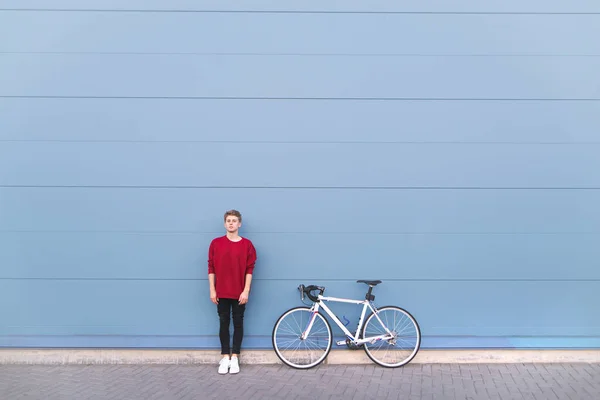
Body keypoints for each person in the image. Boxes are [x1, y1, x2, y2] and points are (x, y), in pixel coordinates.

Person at [208, 209, 257, 374]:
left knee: (238, 323)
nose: (231, 223)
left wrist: (246, 291)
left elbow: (250, 269)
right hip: (221, 292)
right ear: (224, 223)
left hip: (239, 293)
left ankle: (235, 357)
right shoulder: (216, 243)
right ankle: (225, 357)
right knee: (223, 323)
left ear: (239, 224)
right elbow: (211, 268)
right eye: (228, 220)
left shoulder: (247, 245)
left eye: (234, 220)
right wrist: (212, 290)